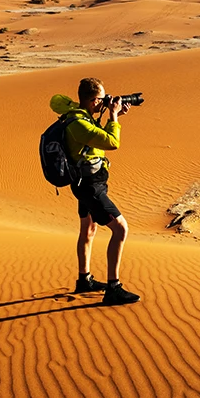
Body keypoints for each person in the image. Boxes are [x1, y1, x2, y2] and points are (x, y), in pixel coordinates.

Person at [49, 77, 140, 306]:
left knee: (88, 229)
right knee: (120, 229)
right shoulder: (78, 124)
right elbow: (112, 143)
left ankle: (84, 280)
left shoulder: (83, 117)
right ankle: (113, 288)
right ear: (93, 101)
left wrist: (115, 116)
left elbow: (96, 140)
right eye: (102, 99)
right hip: (89, 186)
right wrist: (114, 116)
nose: (106, 102)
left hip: (88, 182)